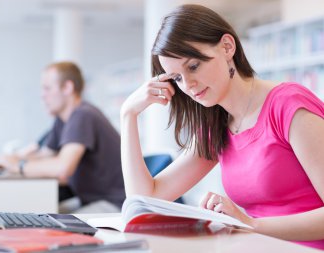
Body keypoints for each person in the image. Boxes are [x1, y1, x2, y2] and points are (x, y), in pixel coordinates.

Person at [120, 4, 324, 250]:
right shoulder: (217, 125)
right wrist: (128, 114)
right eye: (176, 78)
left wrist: (250, 224)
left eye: (193, 66)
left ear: (227, 47)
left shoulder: (288, 105)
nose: (188, 85)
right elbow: (145, 198)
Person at [0, 61, 125, 213]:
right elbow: (44, 156)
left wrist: (17, 165)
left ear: (68, 88)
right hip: (89, 200)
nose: (42, 95)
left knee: (47, 223)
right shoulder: (62, 121)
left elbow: (62, 168)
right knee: (37, 216)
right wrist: (6, 160)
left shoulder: (83, 115)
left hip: (113, 204)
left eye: (47, 88)